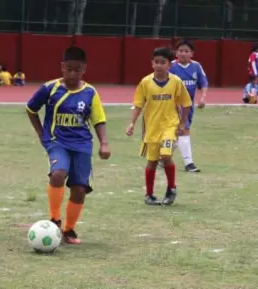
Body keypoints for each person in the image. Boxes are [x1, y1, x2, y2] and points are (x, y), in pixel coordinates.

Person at [26, 46, 111, 244]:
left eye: (77, 70)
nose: (72, 74)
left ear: (84, 70)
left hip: (82, 145)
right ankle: (54, 220)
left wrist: (104, 143)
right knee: (58, 174)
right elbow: (31, 109)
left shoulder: (90, 92)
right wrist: (41, 134)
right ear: (62, 67)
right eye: (69, 69)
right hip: (57, 142)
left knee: (79, 189)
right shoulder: (50, 88)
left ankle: (69, 230)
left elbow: (99, 120)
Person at [126, 47, 192, 206]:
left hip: (170, 126)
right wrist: (132, 123)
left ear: (169, 64)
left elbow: (186, 104)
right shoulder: (146, 82)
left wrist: (182, 123)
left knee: (166, 156)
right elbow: (138, 105)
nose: (159, 65)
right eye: (156, 62)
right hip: (151, 128)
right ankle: (149, 195)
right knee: (152, 162)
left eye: (163, 62)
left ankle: (171, 188)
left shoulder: (176, 82)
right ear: (152, 63)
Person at [166, 39, 208, 173]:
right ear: (176, 53)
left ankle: (163, 157)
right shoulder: (170, 66)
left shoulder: (196, 66)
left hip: (188, 106)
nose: (183, 53)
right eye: (180, 51)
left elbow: (203, 83)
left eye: (186, 51)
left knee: (177, 132)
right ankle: (189, 163)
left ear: (192, 53)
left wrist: (202, 98)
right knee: (183, 130)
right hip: (171, 105)